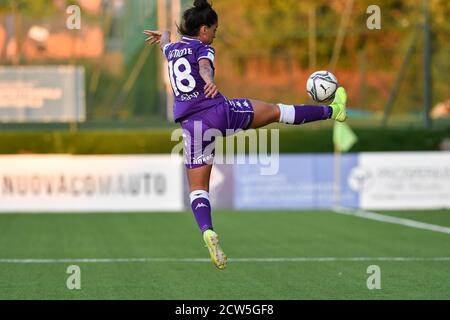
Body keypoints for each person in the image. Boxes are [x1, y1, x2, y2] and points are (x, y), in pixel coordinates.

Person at [144, 0, 347, 270]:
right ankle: (334, 111)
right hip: (217, 112)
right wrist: (209, 81)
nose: (215, 33)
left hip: (191, 126)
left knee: (197, 189)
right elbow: (204, 66)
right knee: (277, 111)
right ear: (203, 29)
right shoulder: (204, 48)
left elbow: (167, 39)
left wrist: (164, 35)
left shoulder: (171, 50)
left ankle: (207, 230)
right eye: (214, 29)